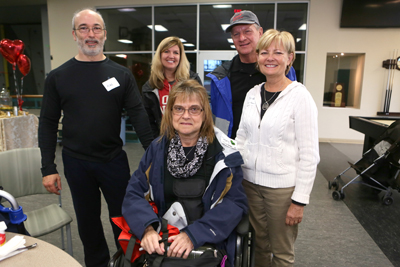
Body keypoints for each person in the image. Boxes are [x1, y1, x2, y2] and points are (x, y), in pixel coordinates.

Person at [38, 8, 153, 267]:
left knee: (124, 220)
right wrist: (48, 167)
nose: (91, 34)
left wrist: (155, 156)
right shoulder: (58, 77)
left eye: (96, 28)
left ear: (104, 34)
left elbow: (139, 117)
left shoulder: (121, 75)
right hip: (76, 163)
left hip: (113, 161)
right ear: (74, 34)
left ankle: (128, 262)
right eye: (84, 28)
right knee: (88, 224)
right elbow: (46, 123)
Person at [122, 79, 248, 265]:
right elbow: (133, 193)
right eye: (179, 109)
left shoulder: (224, 154)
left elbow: (235, 203)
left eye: (194, 109)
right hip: (164, 238)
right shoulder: (157, 150)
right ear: (170, 113)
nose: (186, 115)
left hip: (205, 243)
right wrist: (148, 229)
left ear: (205, 114)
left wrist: (193, 235)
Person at [236, 29, 319, 267]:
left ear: (289, 58)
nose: (270, 57)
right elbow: (242, 137)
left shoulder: (300, 97)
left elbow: (310, 155)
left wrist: (299, 201)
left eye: (278, 52)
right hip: (250, 185)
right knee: (259, 246)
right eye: (264, 52)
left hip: (282, 191)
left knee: (282, 252)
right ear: (258, 57)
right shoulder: (252, 94)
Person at [207, 10, 297, 139]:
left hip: (273, 149)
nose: (242, 38)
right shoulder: (221, 77)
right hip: (232, 149)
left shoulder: (281, 71)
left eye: (247, 31)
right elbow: (216, 119)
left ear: (260, 32)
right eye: (236, 34)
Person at [142, 36, 202, 138]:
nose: (171, 56)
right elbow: (148, 123)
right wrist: (155, 146)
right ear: (160, 55)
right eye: (166, 51)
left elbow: (202, 113)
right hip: (163, 142)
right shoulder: (150, 87)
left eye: (176, 53)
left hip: (191, 140)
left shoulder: (193, 81)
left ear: (180, 57)